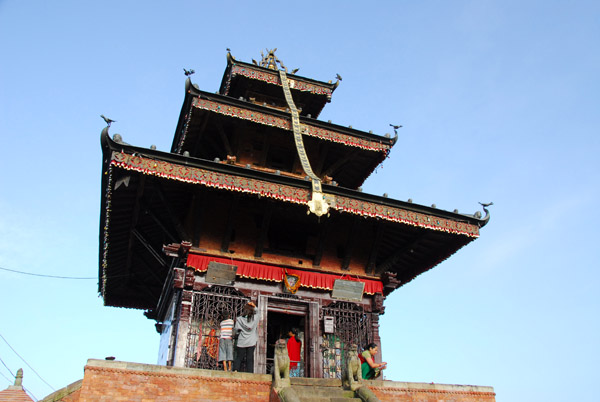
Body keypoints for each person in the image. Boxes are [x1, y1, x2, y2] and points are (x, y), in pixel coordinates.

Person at [233, 301, 260, 373]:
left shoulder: (239, 319)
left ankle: (235, 370)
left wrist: (238, 332)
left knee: (239, 357)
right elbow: (258, 312)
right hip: (251, 341)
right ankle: (250, 372)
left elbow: (236, 330)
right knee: (250, 358)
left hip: (242, 341)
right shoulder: (255, 318)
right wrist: (254, 306)